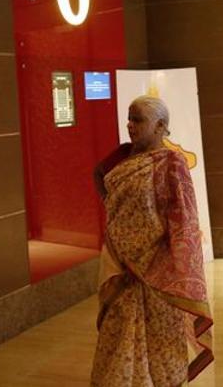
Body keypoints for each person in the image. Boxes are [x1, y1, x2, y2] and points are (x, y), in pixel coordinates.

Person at [90, 96, 214, 386]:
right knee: (118, 330)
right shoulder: (122, 157)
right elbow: (104, 185)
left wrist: (166, 262)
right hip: (120, 266)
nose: (130, 126)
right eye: (129, 119)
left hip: (157, 271)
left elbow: (184, 219)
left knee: (159, 337)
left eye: (138, 120)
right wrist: (121, 240)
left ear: (160, 126)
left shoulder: (172, 163)